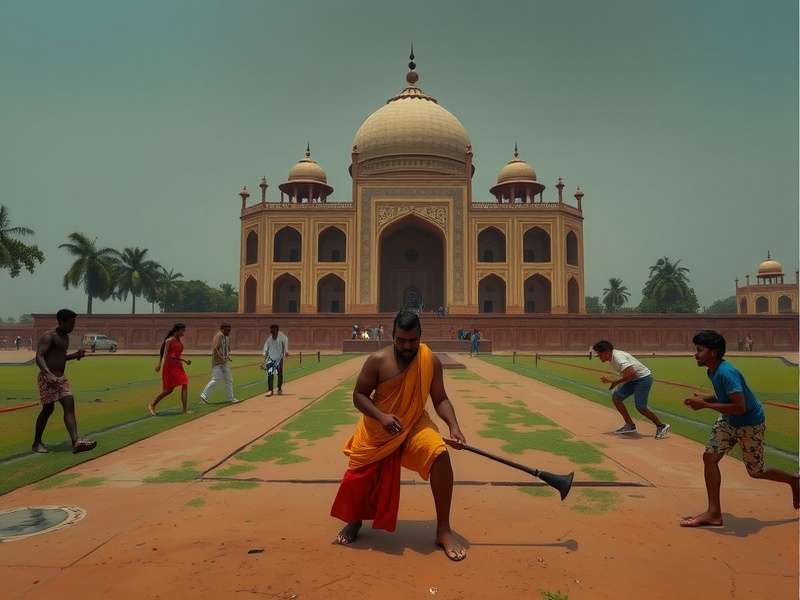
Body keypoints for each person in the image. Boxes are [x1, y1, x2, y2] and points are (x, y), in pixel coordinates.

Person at [331, 310, 468, 561]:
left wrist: (454, 426)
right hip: (378, 427)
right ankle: (355, 520)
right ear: (392, 336)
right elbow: (359, 396)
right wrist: (382, 417)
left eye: (412, 341)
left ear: (420, 337)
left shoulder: (429, 361)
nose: (406, 346)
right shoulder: (378, 360)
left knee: (439, 455)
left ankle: (443, 529)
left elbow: (440, 399)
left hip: (413, 423)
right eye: (401, 340)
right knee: (358, 475)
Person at [680, 330, 799, 526]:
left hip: (750, 423)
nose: (696, 354)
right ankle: (714, 513)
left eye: (700, 350)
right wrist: (705, 398)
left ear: (713, 352)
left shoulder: (727, 373)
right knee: (709, 458)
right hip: (728, 421)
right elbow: (726, 398)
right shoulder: (712, 370)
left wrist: (705, 405)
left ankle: (794, 481)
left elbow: (740, 407)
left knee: (756, 472)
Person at [31, 309, 96, 454]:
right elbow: (39, 357)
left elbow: (60, 357)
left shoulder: (65, 337)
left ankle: (76, 442)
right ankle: (36, 443)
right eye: (71, 323)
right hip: (47, 378)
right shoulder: (49, 337)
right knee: (48, 410)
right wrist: (48, 374)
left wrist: (75, 355)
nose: (73, 326)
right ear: (61, 322)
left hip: (61, 378)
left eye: (74, 323)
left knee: (69, 403)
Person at [592, 340, 670, 439]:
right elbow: (628, 374)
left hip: (643, 379)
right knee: (617, 397)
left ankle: (661, 426)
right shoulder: (612, 357)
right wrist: (616, 382)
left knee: (641, 407)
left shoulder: (618, 358)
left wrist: (615, 382)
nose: (599, 357)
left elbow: (632, 374)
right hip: (633, 380)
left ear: (606, 352)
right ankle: (630, 425)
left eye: (599, 354)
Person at [148, 323, 191, 415]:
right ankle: (152, 404)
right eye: (182, 330)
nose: (184, 332)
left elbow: (176, 354)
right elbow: (165, 353)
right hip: (170, 366)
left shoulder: (178, 340)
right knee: (169, 390)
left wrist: (184, 360)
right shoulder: (169, 340)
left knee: (182, 384)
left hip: (178, 365)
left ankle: (184, 410)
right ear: (177, 330)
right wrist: (160, 364)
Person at [200, 323, 239, 405]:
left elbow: (228, 349)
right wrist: (221, 358)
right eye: (227, 330)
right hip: (218, 362)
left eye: (229, 330)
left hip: (224, 363)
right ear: (222, 329)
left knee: (229, 380)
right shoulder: (219, 336)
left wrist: (228, 357)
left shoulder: (226, 337)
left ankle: (230, 398)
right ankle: (204, 395)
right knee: (216, 379)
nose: (229, 331)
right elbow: (215, 348)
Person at [263, 323, 288, 396]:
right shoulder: (269, 339)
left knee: (279, 374)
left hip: (279, 359)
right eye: (271, 329)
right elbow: (265, 349)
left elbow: (285, 342)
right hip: (270, 358)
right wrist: (265, 355)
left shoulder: (282, 337)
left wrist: (286, 351)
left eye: (273, 329)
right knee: (270, 374)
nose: (272, 331)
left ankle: (279, 389)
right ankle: (270, 390)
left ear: (277, 330)